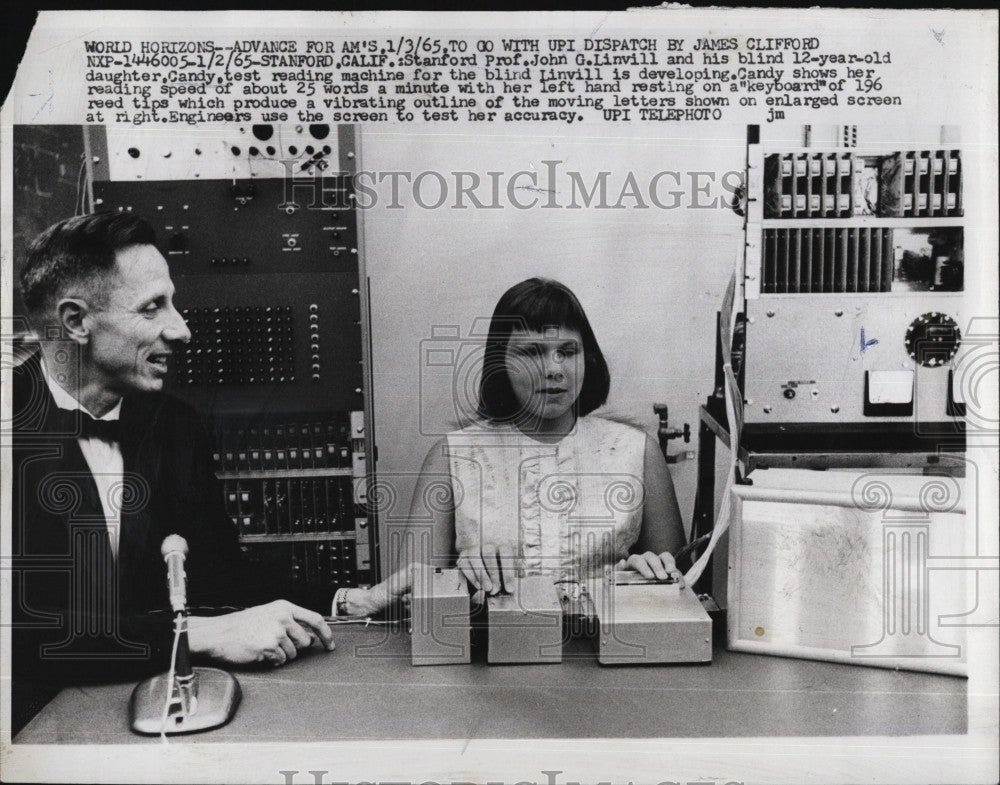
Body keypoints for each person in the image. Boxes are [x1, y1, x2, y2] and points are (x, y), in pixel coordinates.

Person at [10, 213, 410, 735]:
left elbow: (219, 571)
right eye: (153, 307)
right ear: (76, 321)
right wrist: (199, 635)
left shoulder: (174, 425)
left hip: (158, 711)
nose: (182, 329)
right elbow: (23, 632)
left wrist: (348, 601)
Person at [404, 278, 686, 601]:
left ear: (587, 358)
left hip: (611, 646)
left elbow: (683, 592)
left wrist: (649, 573)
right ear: (500, 363)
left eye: (567, 351)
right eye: (532, 352)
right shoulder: (451, 457)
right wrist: (459, 577)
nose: (553, 369)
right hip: (490, 647)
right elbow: (404, 596)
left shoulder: (638, 451)